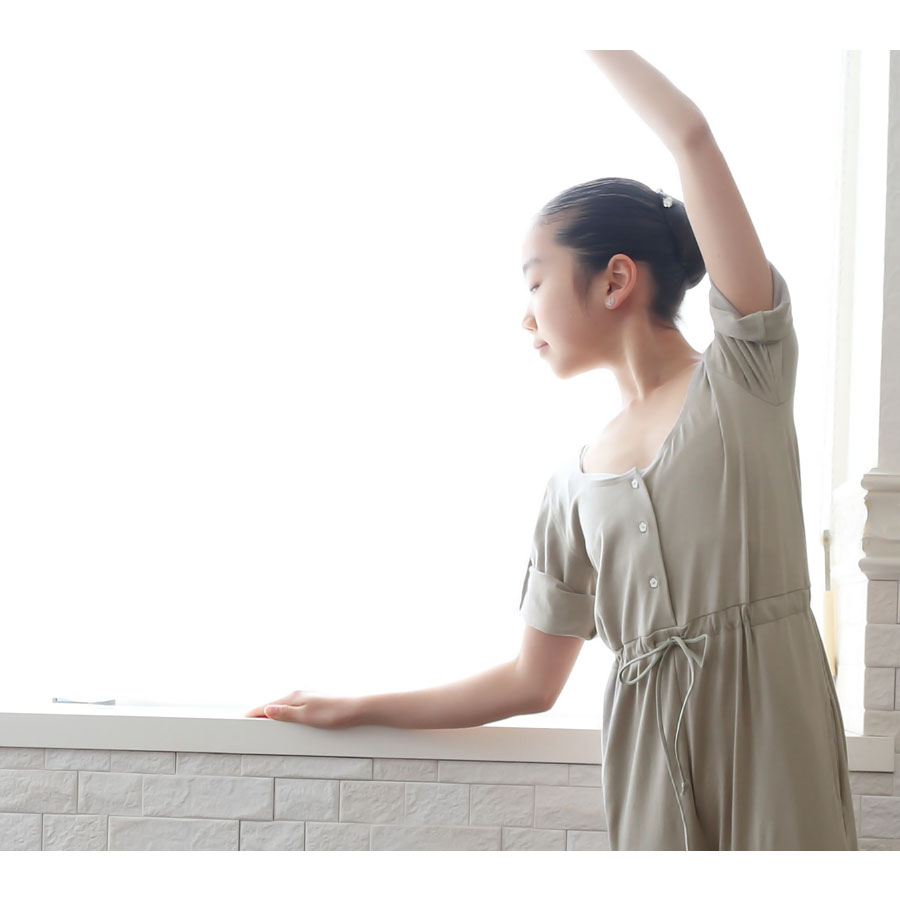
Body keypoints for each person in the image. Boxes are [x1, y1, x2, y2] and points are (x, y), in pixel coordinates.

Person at [245, 51, 858, 851]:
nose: (525, 315)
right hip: (651, 776)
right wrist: (356, 706)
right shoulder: (571, 489)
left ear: (615, 280)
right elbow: (530, 681)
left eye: (535, 282)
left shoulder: (747, 375)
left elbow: (692, 136)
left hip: (776, 749)